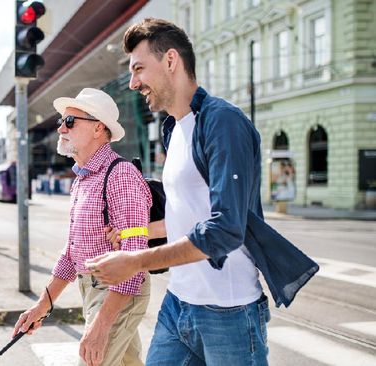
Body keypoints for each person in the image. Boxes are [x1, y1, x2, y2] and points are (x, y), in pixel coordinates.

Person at [86, 18, 318, 365]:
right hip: (179, 303)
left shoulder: (223, 122)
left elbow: (224, 230)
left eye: (138, 69)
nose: (133, 82)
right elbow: (190, 215)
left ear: (170, 61)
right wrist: (135, 233)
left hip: (229, 312)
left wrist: (134, 261)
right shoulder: (174, 128)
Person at [12, 88, 153, 366]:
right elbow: (72, 252)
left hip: (117, 291)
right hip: (93, 289)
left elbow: (134, 259)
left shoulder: (120, 175)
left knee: (91, 360)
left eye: (71, 121)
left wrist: (100, 327)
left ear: (99, 128)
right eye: (61, 121)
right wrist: (43, 305)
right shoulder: (82, 179)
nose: (61, 128)